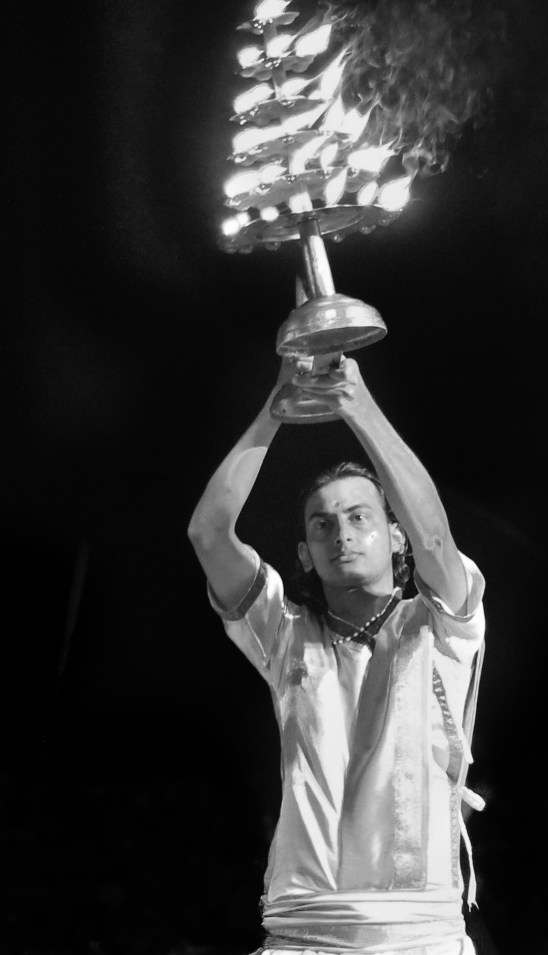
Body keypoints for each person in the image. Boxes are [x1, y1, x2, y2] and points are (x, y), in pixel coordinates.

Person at [188, 356, 486, 955]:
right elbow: (209, 533)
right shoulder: (284, 630)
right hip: (302, 927)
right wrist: (277, 406)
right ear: (304, 553)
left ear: (394, 535)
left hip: (418, 930)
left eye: (359, 517)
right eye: (322, 525)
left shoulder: (444, 622)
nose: (341, 533)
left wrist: (358, 406)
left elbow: (434, 537)